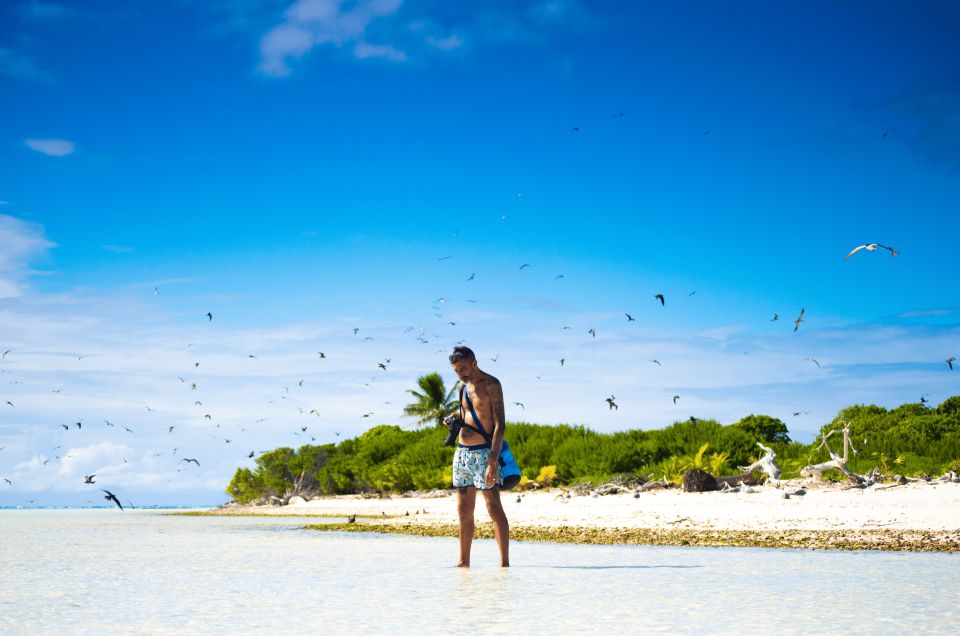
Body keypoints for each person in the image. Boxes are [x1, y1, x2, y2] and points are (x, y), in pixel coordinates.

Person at [446, 345, 510, 567]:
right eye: (456, 371)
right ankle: (464, 562)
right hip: (462, 453)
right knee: (463, 510)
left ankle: (504, 564)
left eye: (463, 368)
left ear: (474, 363)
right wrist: (452, 420)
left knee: (493, 507)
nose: (460, 374)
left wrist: (492, 461)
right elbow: (467, 416)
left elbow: (500, 426)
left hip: (484, 453)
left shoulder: (491, 385)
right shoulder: (462, 388)